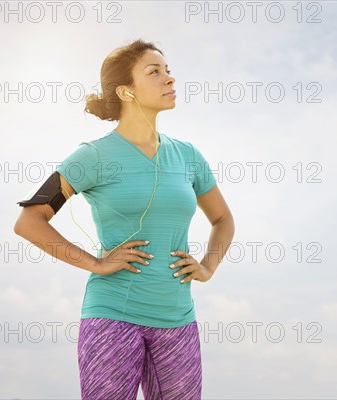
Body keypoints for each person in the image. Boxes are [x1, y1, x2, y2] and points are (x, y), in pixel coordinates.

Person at [13, 38, 235, 400]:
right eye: (154, 72)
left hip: (178, 320)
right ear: (126, 91)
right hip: (113, 316)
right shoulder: (93, 156)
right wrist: (96, 264)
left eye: (168, 70)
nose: (169, 79)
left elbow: (223, 219)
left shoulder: (188, 156)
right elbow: (30, 220)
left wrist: (208, 266)